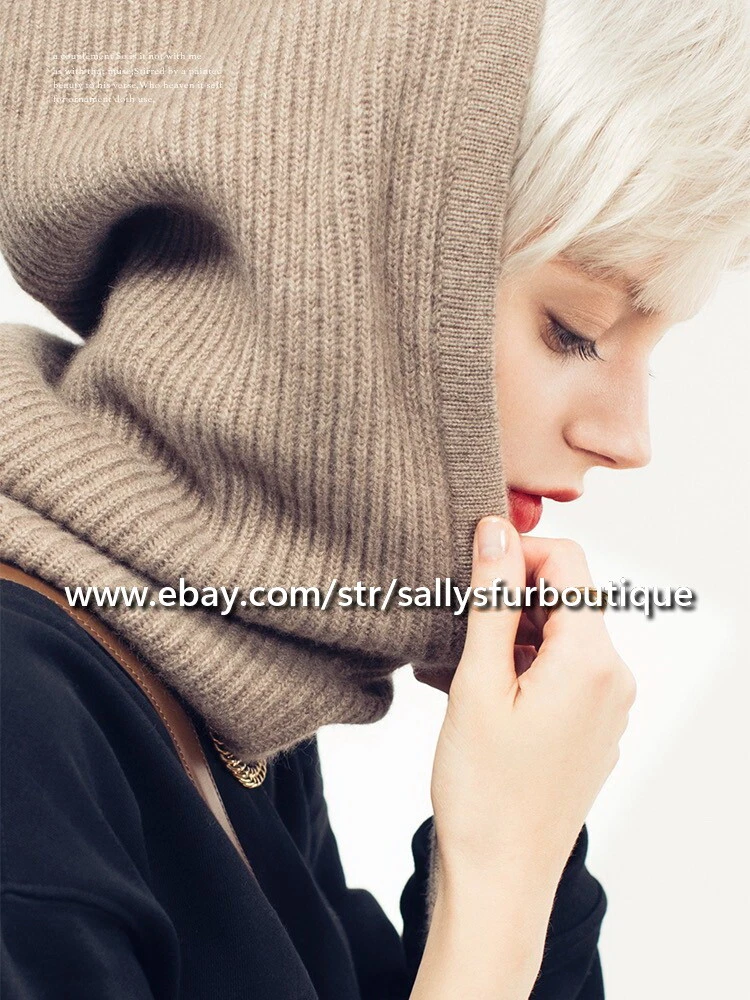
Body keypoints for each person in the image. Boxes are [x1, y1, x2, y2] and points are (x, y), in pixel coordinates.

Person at [0, 0, 748, 997]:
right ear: (332, 276)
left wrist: (531, 830)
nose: (629, 440)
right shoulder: (22, 728)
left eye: (646, 358)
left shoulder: (215, 673)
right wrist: (501, 878)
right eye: (576, 329)